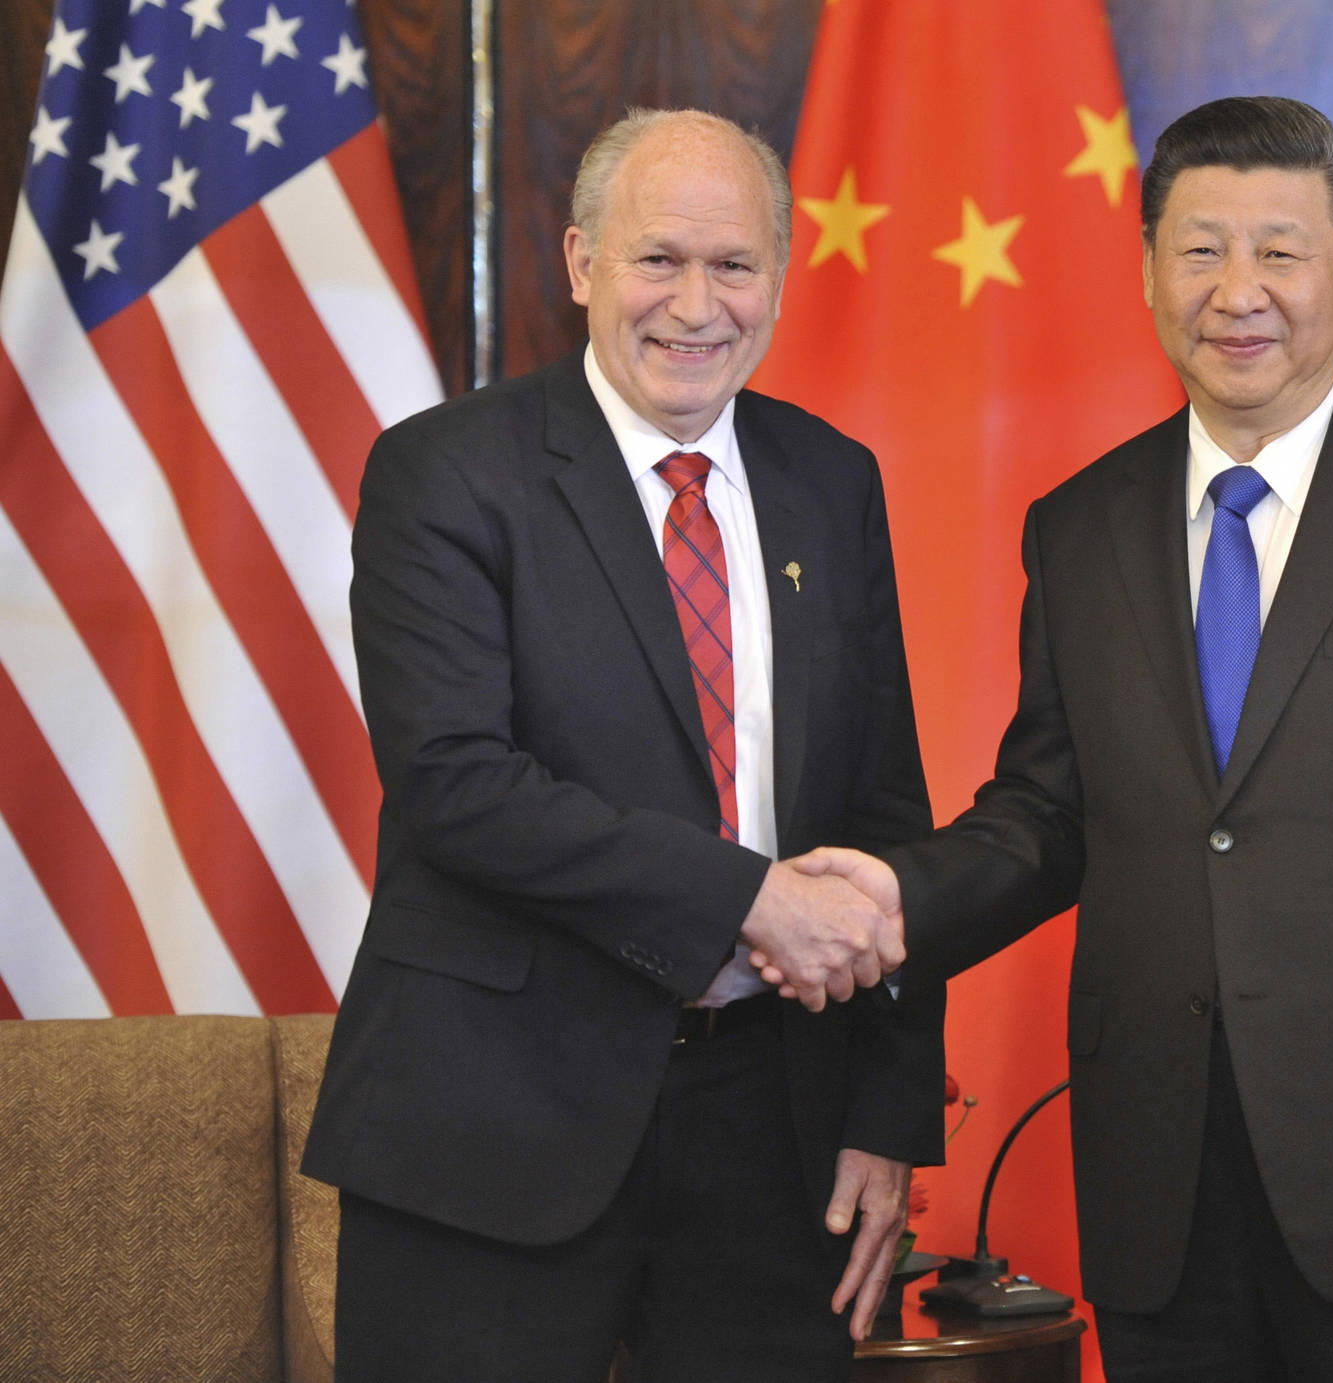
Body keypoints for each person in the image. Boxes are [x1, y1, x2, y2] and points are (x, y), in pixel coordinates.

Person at [786, 96, 1333, 1381]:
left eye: (1280, 252)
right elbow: (1047, 815)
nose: (1236, 290)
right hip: (1159, 1169)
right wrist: (899, 893)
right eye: (1197, 250)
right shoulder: (1078, 524)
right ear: (1144, 272)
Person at [301, 108, 943, 1383]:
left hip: (776, 1137)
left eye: (734, 266)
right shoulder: (447, 471)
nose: (696, 305)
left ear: (778, 276)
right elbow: (456, 788)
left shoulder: (832, 477)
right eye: (659, 260)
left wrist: (888, 1115)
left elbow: (883, 809)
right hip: (496, 1123)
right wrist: (752, 898)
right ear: (582, 263)